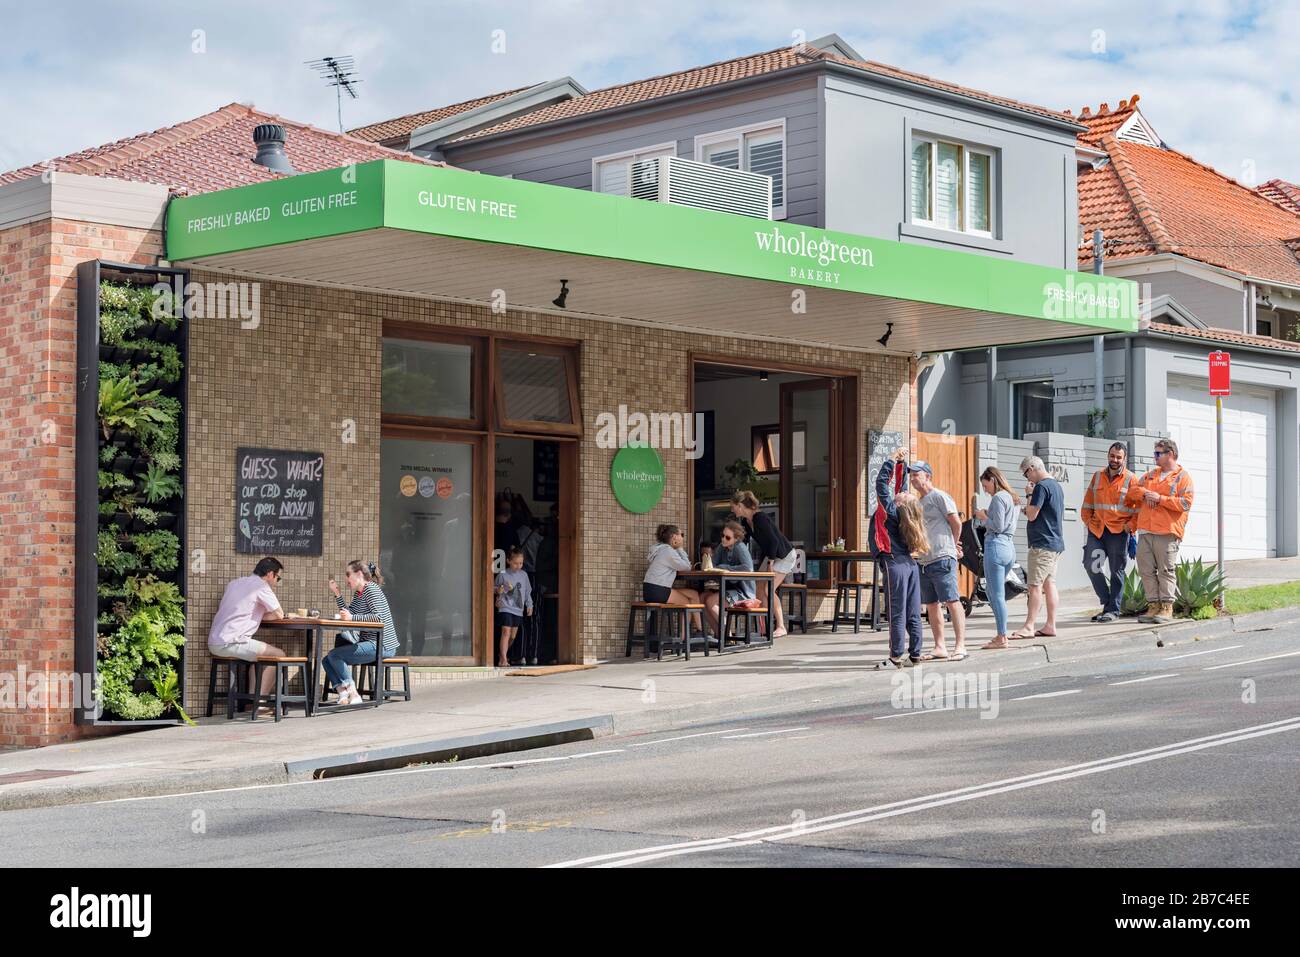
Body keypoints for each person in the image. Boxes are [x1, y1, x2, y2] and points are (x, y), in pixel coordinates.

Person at [1125, 438, 1195, 623]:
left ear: (1170, 454)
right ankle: (1153, 606)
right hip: (1146, 531)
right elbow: (1132, 492)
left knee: (1166, 570)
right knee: (1146, 570)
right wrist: (1145, 494)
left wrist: (1160, 498)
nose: (1154, 456)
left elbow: (1186, 503)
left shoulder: (1182, 477)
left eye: (1158, 453)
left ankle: (1166, 607)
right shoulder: (1149, 476)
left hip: (1167, 532)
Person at [873, 450, 930, 669]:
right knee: (913, 612)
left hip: (893, 563)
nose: (904, 492)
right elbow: (899, 488)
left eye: (905, 496)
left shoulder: (889, 512)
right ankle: (915, 654)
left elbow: (881, 485)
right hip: (909, 565)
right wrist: (901, 464)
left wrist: (890, 460)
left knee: (896, 612)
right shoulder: (904, 514)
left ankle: (895, 656)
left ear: (900, 505)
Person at [907, 461, 968, 661]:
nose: (913, 478)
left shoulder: (939, 496)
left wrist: (953, 545)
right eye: (912, 475)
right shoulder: (918, 502)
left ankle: (960, 646)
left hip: (942, 557)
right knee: (932, 604)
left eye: (917, 474)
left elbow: (956, 523)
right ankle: (939, 646)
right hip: (924, 561)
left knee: (951, 600)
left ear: (928, 476)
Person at [208, 557, 287, 708]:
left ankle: (252, 702)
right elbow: (279, 614)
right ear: (270, 574)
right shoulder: (261, 587)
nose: (277, 582)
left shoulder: (234, 583)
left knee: (257, 658)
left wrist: (254, 615)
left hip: (215, 641)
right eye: (278, 577)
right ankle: (260, 704)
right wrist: (261, 616)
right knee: (278, 655)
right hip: (231, 642)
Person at [325, 560, 398, 705]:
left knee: (335, 655)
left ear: (359, 574)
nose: (346, 579)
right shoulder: (359, 594)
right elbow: (350, 613)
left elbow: (378, 618)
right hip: (370, 643)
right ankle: (343, 694)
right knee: (326, 660)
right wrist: (337, 594)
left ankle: (354, 694)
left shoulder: (371, 589)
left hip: (382, 645)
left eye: (348, 574)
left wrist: (352, 617)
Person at [1081, 442, 1137, 623]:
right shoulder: (1097, 476)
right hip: (1097, 530)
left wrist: (1130, 527)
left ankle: (1113, 610)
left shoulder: (1131, 479)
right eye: (1112, 456)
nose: (1114, 460)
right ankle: (1107, 602)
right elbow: (1088, 503)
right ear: (1108, 455)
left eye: (1118, 457)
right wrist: (1088, 521)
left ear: (1124, 458)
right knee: (1091, 565)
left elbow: (1139, 509)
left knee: (1116, 571)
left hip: (1118, 532)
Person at [730, 490, 796, 638]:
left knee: (768, 589)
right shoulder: (747, 521)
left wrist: (770, 563)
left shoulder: (760, 518)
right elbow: (744, 541)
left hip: (784, 555)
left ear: (740, 505)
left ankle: (780, 626)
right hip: (771, 555)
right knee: (759, 589)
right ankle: (764, 628)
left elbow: (774, 541)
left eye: (733, 506)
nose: (732, 509)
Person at [1012, 455, 1064, 640]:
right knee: (1050, 584)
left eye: (1026, 474)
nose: (1027, 478)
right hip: (1054, 543)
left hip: (1042, 544)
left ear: (1032, 468)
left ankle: (1029, 626)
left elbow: (1033, 514)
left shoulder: (1041, 487)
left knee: (1034, 586)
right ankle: (1050, 625)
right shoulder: (1056, 485)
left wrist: (1028, 495)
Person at [973, 467, 1020, 650]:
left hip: (996, 546)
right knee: (996, 594)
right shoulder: (1012, 497)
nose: (985, 490)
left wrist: (983, 516)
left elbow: (998, 525)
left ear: (993, 479)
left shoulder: (999, 497)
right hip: (1009, 547)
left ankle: (1002, 636)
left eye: (985, 485)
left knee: (995, 595)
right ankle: (1001, 633)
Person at [643, 524, 704, 636]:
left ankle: (701, 630)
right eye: (682, 535)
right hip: (658, 590)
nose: (682, 538)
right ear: (674, 537)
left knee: (693, 594)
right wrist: (680, 549)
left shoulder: (661, 550)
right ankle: (683, 639)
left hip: (650, 589)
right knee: (685, 602)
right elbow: (686, 567)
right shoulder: (668, 552)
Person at [703, 520, 756, 636]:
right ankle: (719, 634)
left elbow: (748, 568)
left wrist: (726, 568)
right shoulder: (722, 547)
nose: (723, 539)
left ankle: (728, 635)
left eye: (727, 537)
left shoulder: (740, 547)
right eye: (722, 536)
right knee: (702, 598)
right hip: (728, 588)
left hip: (743, 592)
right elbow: (714, 565)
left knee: (711, 601)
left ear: (736, 539)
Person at [494, 545, 534, 666]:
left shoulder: (524, 575)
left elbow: (527, 591)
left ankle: (501, 654)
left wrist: (530, 605)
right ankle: (504, 660)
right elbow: (494, 588)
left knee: (512, 636)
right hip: (505, 606)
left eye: (521, 563)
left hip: (518, 609)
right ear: (508, 561)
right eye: (515, 563)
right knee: (506, 631)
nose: (518, 566)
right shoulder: (502, 574)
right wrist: (498, 590)